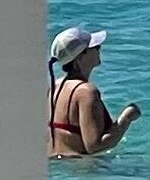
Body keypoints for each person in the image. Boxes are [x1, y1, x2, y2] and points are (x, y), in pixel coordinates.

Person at [52, 26, 142, 157]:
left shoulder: (55, 87)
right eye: (95, 47)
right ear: (79, 58)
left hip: (60, 167)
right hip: (82, 170)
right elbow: (95, 147)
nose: (99, 48)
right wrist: (126, 118)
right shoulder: (86, 92)